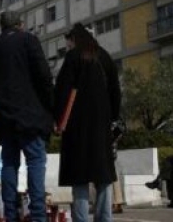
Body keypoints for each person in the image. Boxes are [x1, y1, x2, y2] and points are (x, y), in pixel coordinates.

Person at [0, 11, 54, 222]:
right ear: (21, 24)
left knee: (9, 163)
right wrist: (50, 108)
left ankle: (10, 215)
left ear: (1, 27)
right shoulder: (29, 40)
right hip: (30, 115)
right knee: (35, 162)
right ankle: (37, 215)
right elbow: (44, 76)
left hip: (2, 118)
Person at [54, 23, 122, 222]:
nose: (67, 46)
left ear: (74, 39)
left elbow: (62, 91)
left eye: (68, 42)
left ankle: (81, 218)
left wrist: (58, 119)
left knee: (80, 176)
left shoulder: (73, 57)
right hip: (102, 125)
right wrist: (113, 117)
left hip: (77, 127)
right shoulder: (105, 57)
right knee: (103, 176)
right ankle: (104, 218)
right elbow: (116, 91)